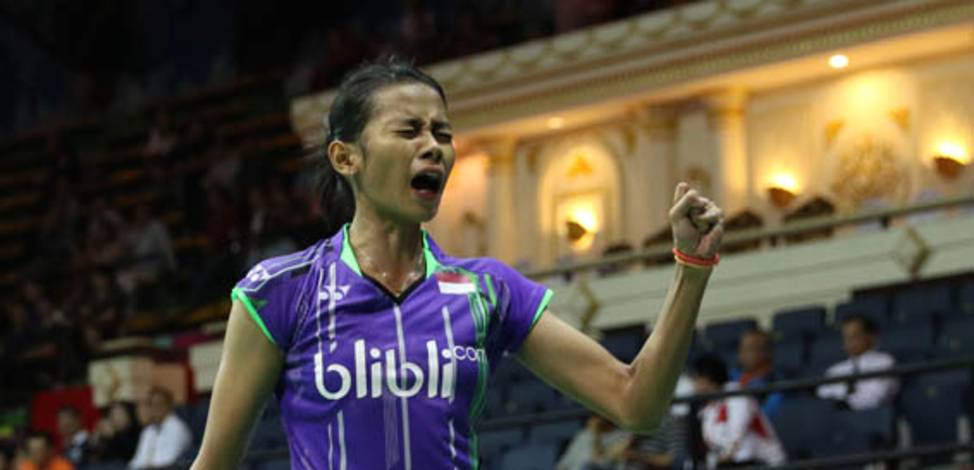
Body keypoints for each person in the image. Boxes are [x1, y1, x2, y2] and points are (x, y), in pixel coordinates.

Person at [191, 56, 725, 470]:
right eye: (409, 131)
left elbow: (635, 403)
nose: (434, 147)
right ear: (345, 157)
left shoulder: (488, 290)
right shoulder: (280, 291)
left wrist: (691, 269)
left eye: (442, 133)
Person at [691, 355, 785, 468]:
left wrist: (720, 460)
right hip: (733, 463)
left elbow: (737, 436)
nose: (694, 384)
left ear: (708, 379)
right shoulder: (708, 409)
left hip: (764, 462)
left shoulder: (737, 394)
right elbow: (713, 445)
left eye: (696, 378)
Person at [816, 315, 898, 410]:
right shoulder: (835, 370)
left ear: (870, 336)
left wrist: (845, 402)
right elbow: (823, 396)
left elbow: (876, 397)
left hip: (870, 416)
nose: (849, 341)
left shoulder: (884, 362)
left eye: (854, 335)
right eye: (846, 337)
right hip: (836, 416)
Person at [130, 388, 191, 469]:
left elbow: (170, 460)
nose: (155, 408)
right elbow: (137, 460)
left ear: (169, 405)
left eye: (159, 404)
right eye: (152, 404)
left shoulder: (178, 429)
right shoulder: (148, 431)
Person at [729, 329, 783, 417]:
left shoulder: (776, 385)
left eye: (749, 349)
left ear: (766, 353)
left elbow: (763, 417)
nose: (742, 354)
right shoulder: (732, 376)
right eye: (741, 348)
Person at [556, 415, 632, 470]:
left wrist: (596, 434)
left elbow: (599, 458)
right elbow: (565, 462)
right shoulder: (584, 435)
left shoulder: (623, 436)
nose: (591, 421)